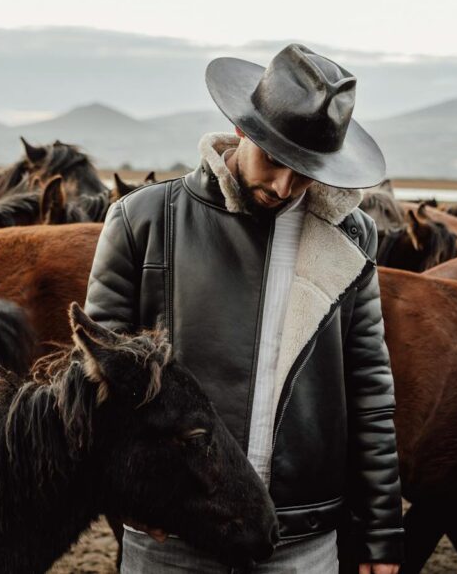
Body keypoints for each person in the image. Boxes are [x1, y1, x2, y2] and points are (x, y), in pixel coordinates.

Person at [84, 43, 403, 573]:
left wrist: (382, 532)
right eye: (274, 159)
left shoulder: (352, 240)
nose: (283, 186)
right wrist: (133, 497)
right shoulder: (142, 221)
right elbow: (95, 385)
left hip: (301, 539)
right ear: (242, 130)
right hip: (174, 536)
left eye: (303, 170)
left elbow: (370, 391)